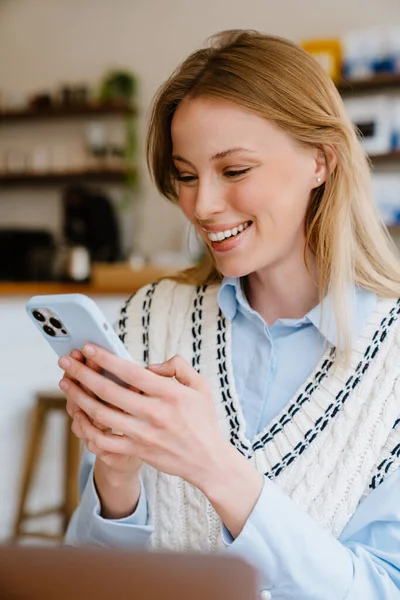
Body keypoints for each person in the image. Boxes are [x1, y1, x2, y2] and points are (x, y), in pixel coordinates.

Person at [62, 30, 400, 599]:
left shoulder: (392, 359)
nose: (203, 205)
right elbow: (91, 578)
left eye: (235, 171)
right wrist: (115, 478)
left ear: (321, 161)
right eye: (187, 176)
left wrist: (214, 466)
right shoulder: (150, 318)